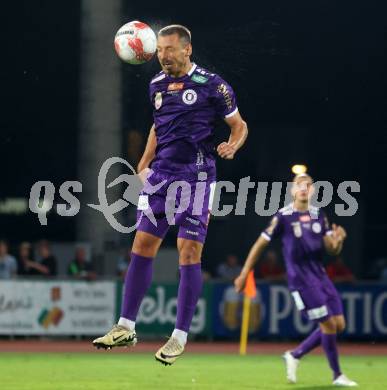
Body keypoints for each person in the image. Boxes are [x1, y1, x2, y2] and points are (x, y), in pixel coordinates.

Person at [93, 24, 248, 365]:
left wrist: (232, 146)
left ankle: (178, 337)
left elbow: (239, 125)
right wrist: (144, 161)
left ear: (186, 49)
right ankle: (125, 326)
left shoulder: (213, 85)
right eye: (159, 49)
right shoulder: (156, 85)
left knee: (188, 251)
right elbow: (157, 125)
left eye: (169, 49)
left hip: (197, 178)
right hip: (160, 177)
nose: (163, 55)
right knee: (141, 246)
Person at [234, 173, 357, 387]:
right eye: (299, 185)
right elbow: (260, 244)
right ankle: (337, 375)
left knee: (339, 324)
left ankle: (295, 354)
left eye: (307, 185)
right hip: (301, 280)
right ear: (292, 191)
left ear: (313, 190)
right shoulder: (283, 216)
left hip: (320, 276)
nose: (303, 188)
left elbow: (332, 248)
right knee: (328, 324)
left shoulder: (319, 214)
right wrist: (244, 273)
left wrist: (339, 241)